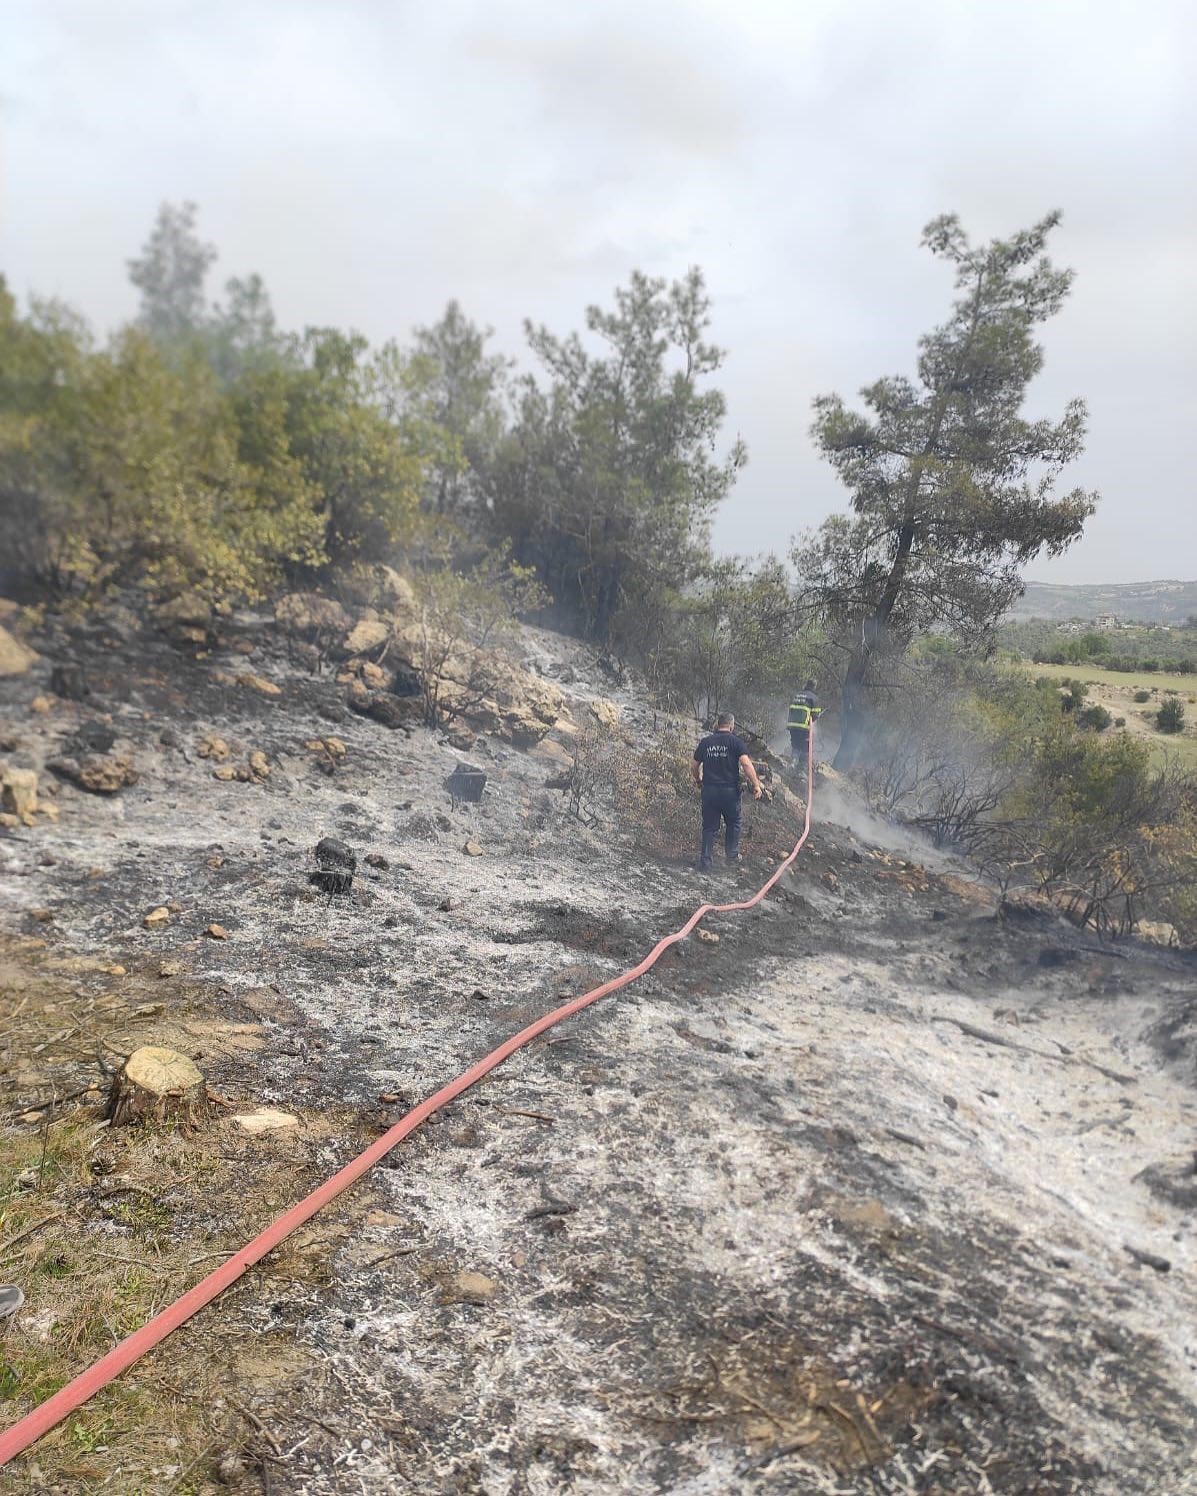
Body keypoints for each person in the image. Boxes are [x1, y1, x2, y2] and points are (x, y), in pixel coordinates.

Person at [691, 711, 763, 869]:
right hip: (729, 792)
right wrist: (756, 784)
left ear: (718, 724)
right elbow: (745, 764)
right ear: (732, 726)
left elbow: (695, 765)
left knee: (709, 827)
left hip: (709, 791)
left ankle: (705, 862)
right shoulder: (736, 742)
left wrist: (698, 780)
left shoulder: (706, 742)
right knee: (734, 823)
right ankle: (731, 857)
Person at [787, 680, 822, 761]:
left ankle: (793, 763)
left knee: (795, 745)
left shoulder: (796, 695)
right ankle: (801, 769)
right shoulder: (813, 698)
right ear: (814, 687)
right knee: (805, 747)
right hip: (803, 726)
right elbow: (815, 715)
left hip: (792, 725)